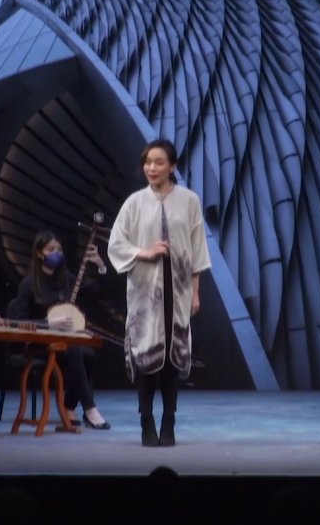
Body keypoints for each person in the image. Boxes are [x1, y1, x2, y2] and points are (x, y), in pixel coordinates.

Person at [107, 138, 212, 447]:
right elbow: (116, 244)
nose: (151, 168)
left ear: (172, 166)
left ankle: (169, 422)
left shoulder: (189, 200)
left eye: (159, 162)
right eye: (148, 162)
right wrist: (145, 252)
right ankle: (146, 421)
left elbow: (197, 249)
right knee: (145, 358)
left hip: (178, 292)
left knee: (172, 360)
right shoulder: (135, 202)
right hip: (145, 292)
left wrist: (195, 292)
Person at [8, 230, 111, 429]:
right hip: (38, 344)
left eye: (59, 250)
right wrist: (49, 323)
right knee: (74, 350)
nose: (56, 253)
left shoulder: (68, 280)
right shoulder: (28, 285)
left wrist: (100, 265)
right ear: (40, 253)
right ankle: (90, 409)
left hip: (64, 342)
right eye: (51, 249)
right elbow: (19, 322)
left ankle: (68, 406)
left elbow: (100, 293)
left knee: (88, 353)